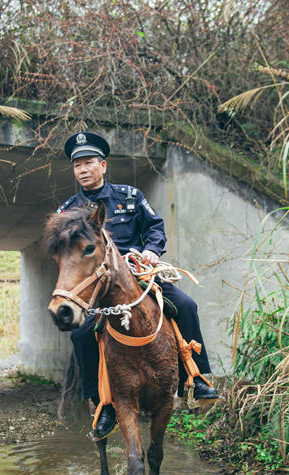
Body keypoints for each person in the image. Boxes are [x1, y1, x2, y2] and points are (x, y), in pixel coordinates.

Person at [56, 131, 218, 440]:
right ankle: (102, 402)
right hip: (99, 284)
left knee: (185, 306)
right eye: (77, 165)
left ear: (103, 165)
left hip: (139, 275)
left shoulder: (130, 196)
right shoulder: (68, 211)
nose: (83, 170)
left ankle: (196, 378)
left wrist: (150, 252)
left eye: (89, 162)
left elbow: (154, 227)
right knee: (80, 335)